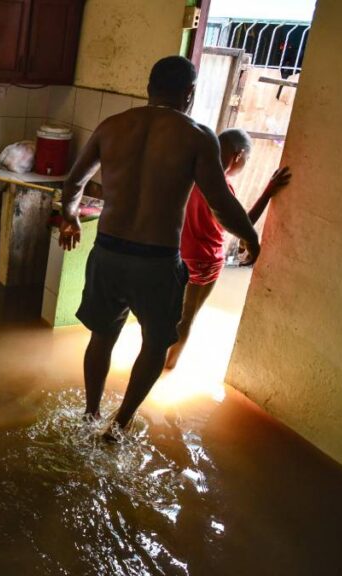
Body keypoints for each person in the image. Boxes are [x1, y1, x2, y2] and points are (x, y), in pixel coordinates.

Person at [58, 55, 260, 440]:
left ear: (149, 88)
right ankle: (119, 425)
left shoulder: (112, 126)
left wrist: (70, 217)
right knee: (154, 344)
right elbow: (220, 203)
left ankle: (90, 413)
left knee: (101, 336)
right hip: (156, 262)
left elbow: (73, 183)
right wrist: (250, 237)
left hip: (108, 252)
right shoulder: (197, 136)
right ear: (190, 93)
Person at [164, 128, 291, 370]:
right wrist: (268, 192)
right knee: (187, 317)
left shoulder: (191, 172)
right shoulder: (220, 186)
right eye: (247, 159)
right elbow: (243, 224)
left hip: (178, 253)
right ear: (238, 155)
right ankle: (167, 368)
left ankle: (155, 361)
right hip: (204, 260)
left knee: (171, 314)